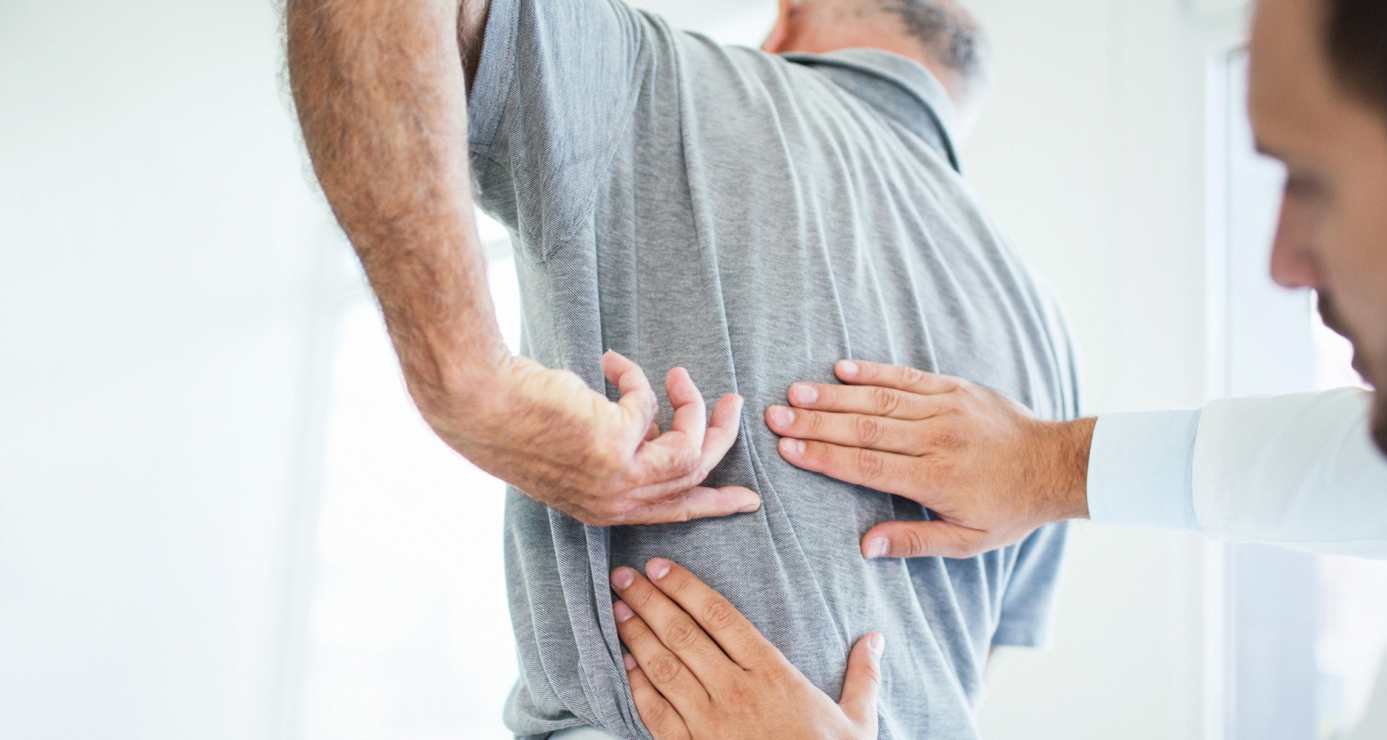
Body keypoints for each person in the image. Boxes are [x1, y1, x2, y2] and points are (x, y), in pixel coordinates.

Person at [609, 0, 1387, 737]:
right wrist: (1056, 463)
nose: (1281, 263)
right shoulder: (1041, 321)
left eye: (1312, 179)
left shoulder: (672, 88)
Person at [286, 0, 1085, 738]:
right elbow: (967, 670)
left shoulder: (664, 82)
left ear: (789, 17)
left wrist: (468, 386)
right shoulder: (1048, 336)